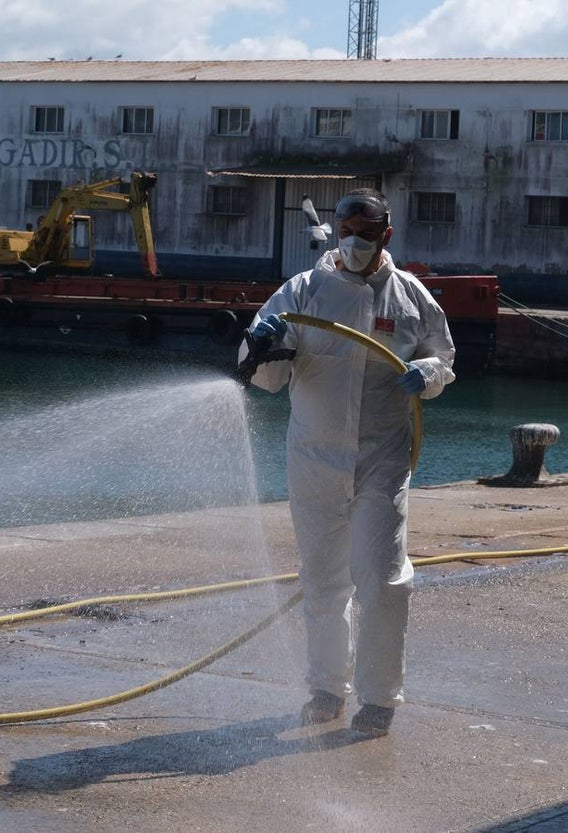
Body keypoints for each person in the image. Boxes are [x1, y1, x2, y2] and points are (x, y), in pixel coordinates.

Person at [237, 187, 455, 737]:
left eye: (368, 229)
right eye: (347, 229)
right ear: (336, 231)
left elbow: (443, 356)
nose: (356, 239)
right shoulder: (302, 292)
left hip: (383, 459)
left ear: (387, 233)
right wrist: (258, 346)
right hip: (314, 458)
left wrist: (426, 374)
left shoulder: (410, 297)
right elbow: (264, 379)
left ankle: (380, 698)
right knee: (323, 583)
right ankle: (327, 690)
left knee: (382, 580)